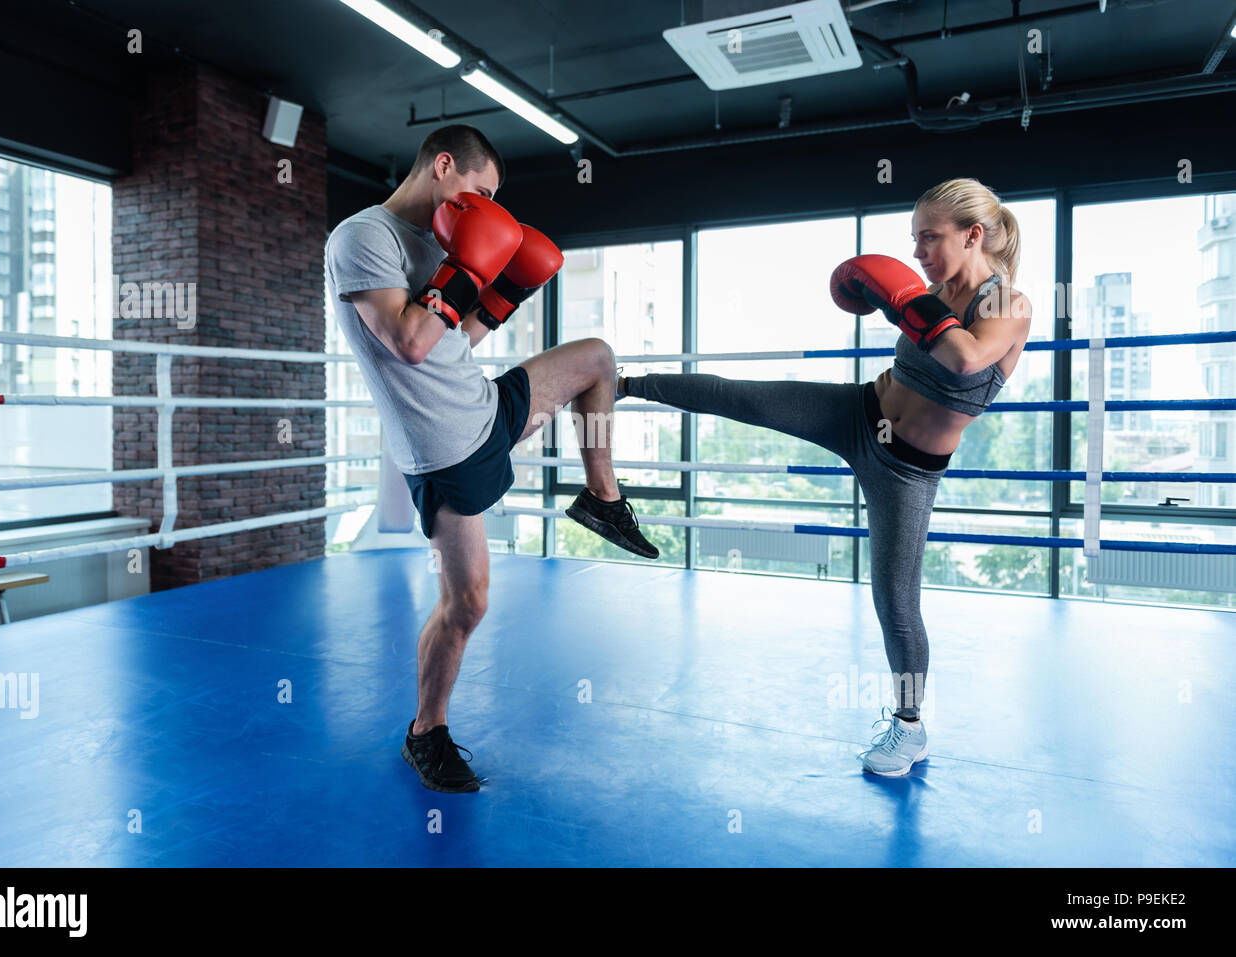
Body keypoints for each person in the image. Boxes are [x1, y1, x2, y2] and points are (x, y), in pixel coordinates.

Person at [616, 178, 1030, 776]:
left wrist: (903, 299)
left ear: (973, 235)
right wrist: (912, 297)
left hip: (907, 472)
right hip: (858, 413)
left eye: (930, 238)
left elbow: (965, 357)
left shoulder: (1008, 306)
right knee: (744, 399)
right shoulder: (930, 290)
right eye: (914, 240)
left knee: (895, 599)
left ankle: (909, 729)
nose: (918, 253)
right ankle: (624, 382)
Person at [325, 125, 659, 793]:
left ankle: (602, 498)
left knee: (597, 356)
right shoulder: (363, 238)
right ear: (443, 166)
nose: (485, 207)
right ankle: (426, 732)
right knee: (467, 602)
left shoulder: (435, 240)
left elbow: (456, 341)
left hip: (483, 405)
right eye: (481, 191)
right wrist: (470, 268)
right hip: (445, 445)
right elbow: (410, 343)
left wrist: (501, 294)